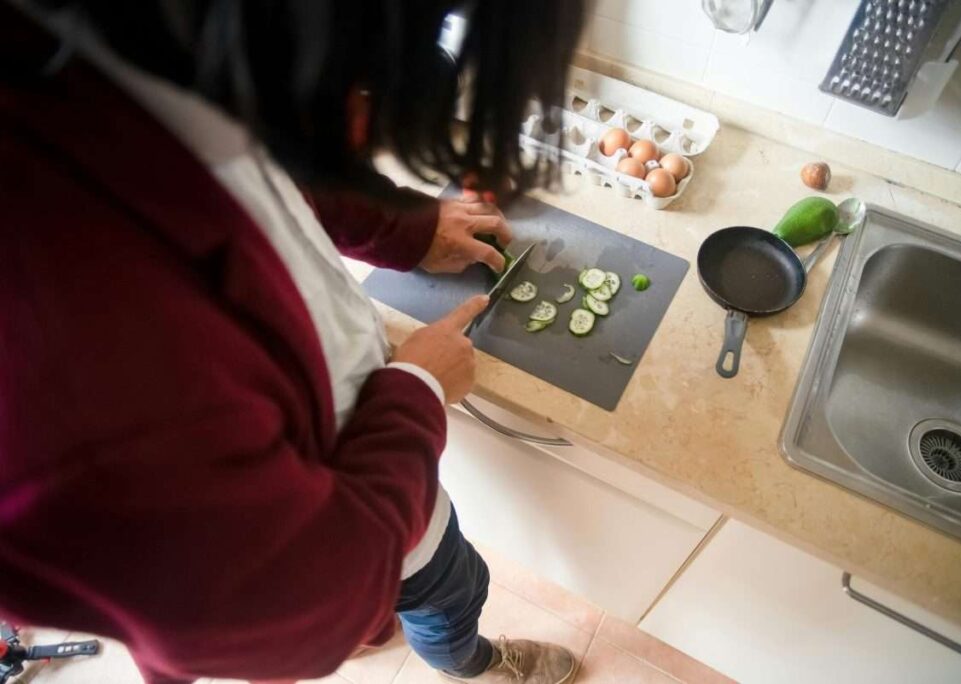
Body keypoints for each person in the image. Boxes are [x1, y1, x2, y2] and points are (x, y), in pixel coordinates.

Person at [0, 1, 584, 683]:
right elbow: (306, 612)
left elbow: (270, 160)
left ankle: (385, 622)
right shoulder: (88, 391)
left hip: (349, 484)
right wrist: (416, 394)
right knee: (451, 591)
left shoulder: (136, 58)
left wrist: (408, 228)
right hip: (365, 519)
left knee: (389, 602)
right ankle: (469, 662)